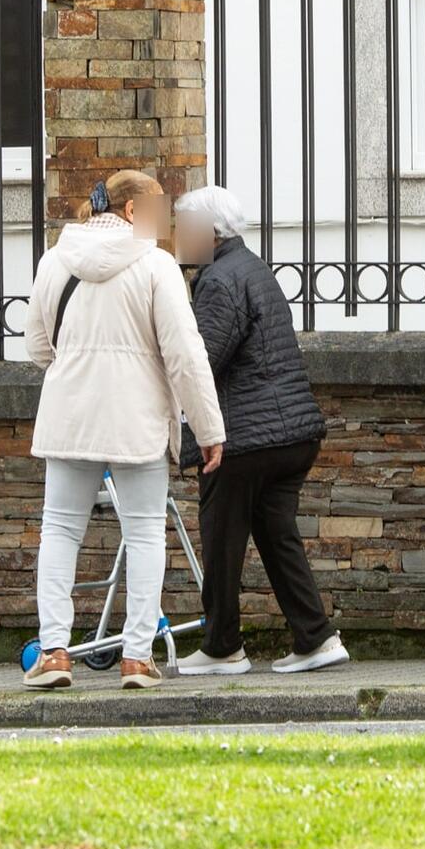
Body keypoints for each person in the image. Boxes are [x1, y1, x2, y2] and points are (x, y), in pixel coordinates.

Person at [22, 170, 225, 691]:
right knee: (143, 532)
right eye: (158, 211)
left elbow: (39, 349)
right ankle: (137, 658)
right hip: (137, 420)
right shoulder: (156, 266)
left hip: (69, 416)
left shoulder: (54, 261)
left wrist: (76, 370)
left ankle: (54, 652)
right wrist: (208, 428)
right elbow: (185, 356)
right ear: (133, 211)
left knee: (61, 530)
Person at [171, 185, 345, 675]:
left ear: (210, 232)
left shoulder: (219, 279)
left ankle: (223, 647)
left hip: (245, 438)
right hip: (292, 434)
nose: (178, 237)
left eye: (183, 228)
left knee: (222, 540)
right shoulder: (252, 267)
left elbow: (203, 360)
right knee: (276, 534)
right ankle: (316, 637)